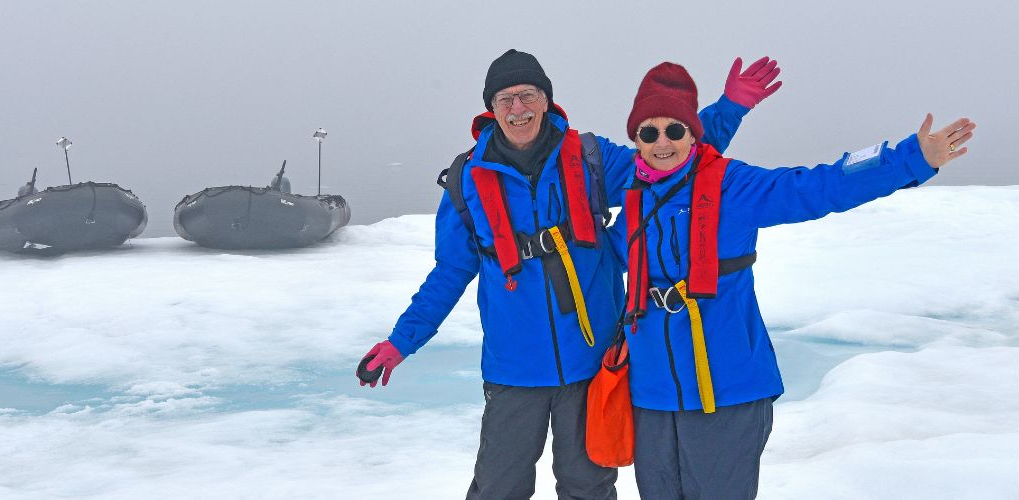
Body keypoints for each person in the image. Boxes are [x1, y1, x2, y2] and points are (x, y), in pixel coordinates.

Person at [356, 49, 783, 499]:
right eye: (505, 99)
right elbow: (449, 274)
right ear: (491, 108)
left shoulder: (590, 159)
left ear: (546, 100)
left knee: (588, 487)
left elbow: (671, 153)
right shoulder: (467, 180)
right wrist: (401, 342)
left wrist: (730, 108)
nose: (518, 108)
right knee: (498, 488)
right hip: (514, 368)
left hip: (591, 364)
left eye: (528, 95)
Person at [614, 62, 975, 499]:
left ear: (693, 135)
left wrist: (910, 160)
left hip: (726, 388)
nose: (662, 142)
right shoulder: (633, 197)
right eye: (649, 133)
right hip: (651, 395)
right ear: (636, 141)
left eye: (675, 130)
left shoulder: (733, 187)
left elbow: (819, 187)